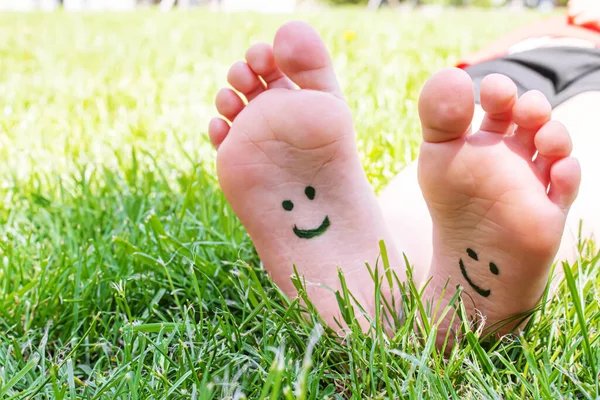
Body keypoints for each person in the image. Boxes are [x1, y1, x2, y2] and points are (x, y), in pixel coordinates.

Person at [207, 6, 599, 346]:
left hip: (543, 62)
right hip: (515, 56)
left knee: (509, 161)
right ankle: (388, 281)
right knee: (482, 155)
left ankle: (389, 276)